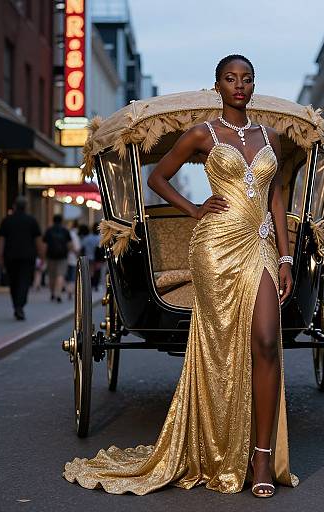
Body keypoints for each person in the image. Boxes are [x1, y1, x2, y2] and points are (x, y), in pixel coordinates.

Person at [63, 55, 298, 497]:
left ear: (253, 85)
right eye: (231, 79)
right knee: (222, 344)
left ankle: (262, 455)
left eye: (247, 79)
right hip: (214, 246)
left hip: (262, 245)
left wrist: (286, 259)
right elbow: (157, 177)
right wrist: (193, 209)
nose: (240, 86)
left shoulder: (271, 137)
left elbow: (278, 197)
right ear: (218, 86)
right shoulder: (201, 134)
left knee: (267, 341)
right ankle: (220, 447)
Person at [0, 196, 43, 320]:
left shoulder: (7, 220)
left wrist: (0, 255)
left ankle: (17, 305)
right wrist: (41, 255)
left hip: (10, 255)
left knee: (13, 281)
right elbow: (38, 240)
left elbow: (1, 239)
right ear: (26, 207)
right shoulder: (32, 220)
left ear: (14, 206)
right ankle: (20, 306)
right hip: (28, 256)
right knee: (24, 281)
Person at [43, 214, 72, 303]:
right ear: (61, 221)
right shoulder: (65, 231)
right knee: (60, 275)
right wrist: (68, 252)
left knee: (52, 275)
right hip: (62, 256)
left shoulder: (49, 230)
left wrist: (43, 256)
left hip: (50, 256)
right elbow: (69, 244)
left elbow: (44, 244)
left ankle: (52, 293)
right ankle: (58, 294)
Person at [65, 220, 81, 300]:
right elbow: (76, 248)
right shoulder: (74, 235)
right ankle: (70, 291)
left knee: (67, 275)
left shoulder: (68, 233)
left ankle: (67, 289)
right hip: (73, 258)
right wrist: (77, 255)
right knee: (71, 276)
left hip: (65, 257)